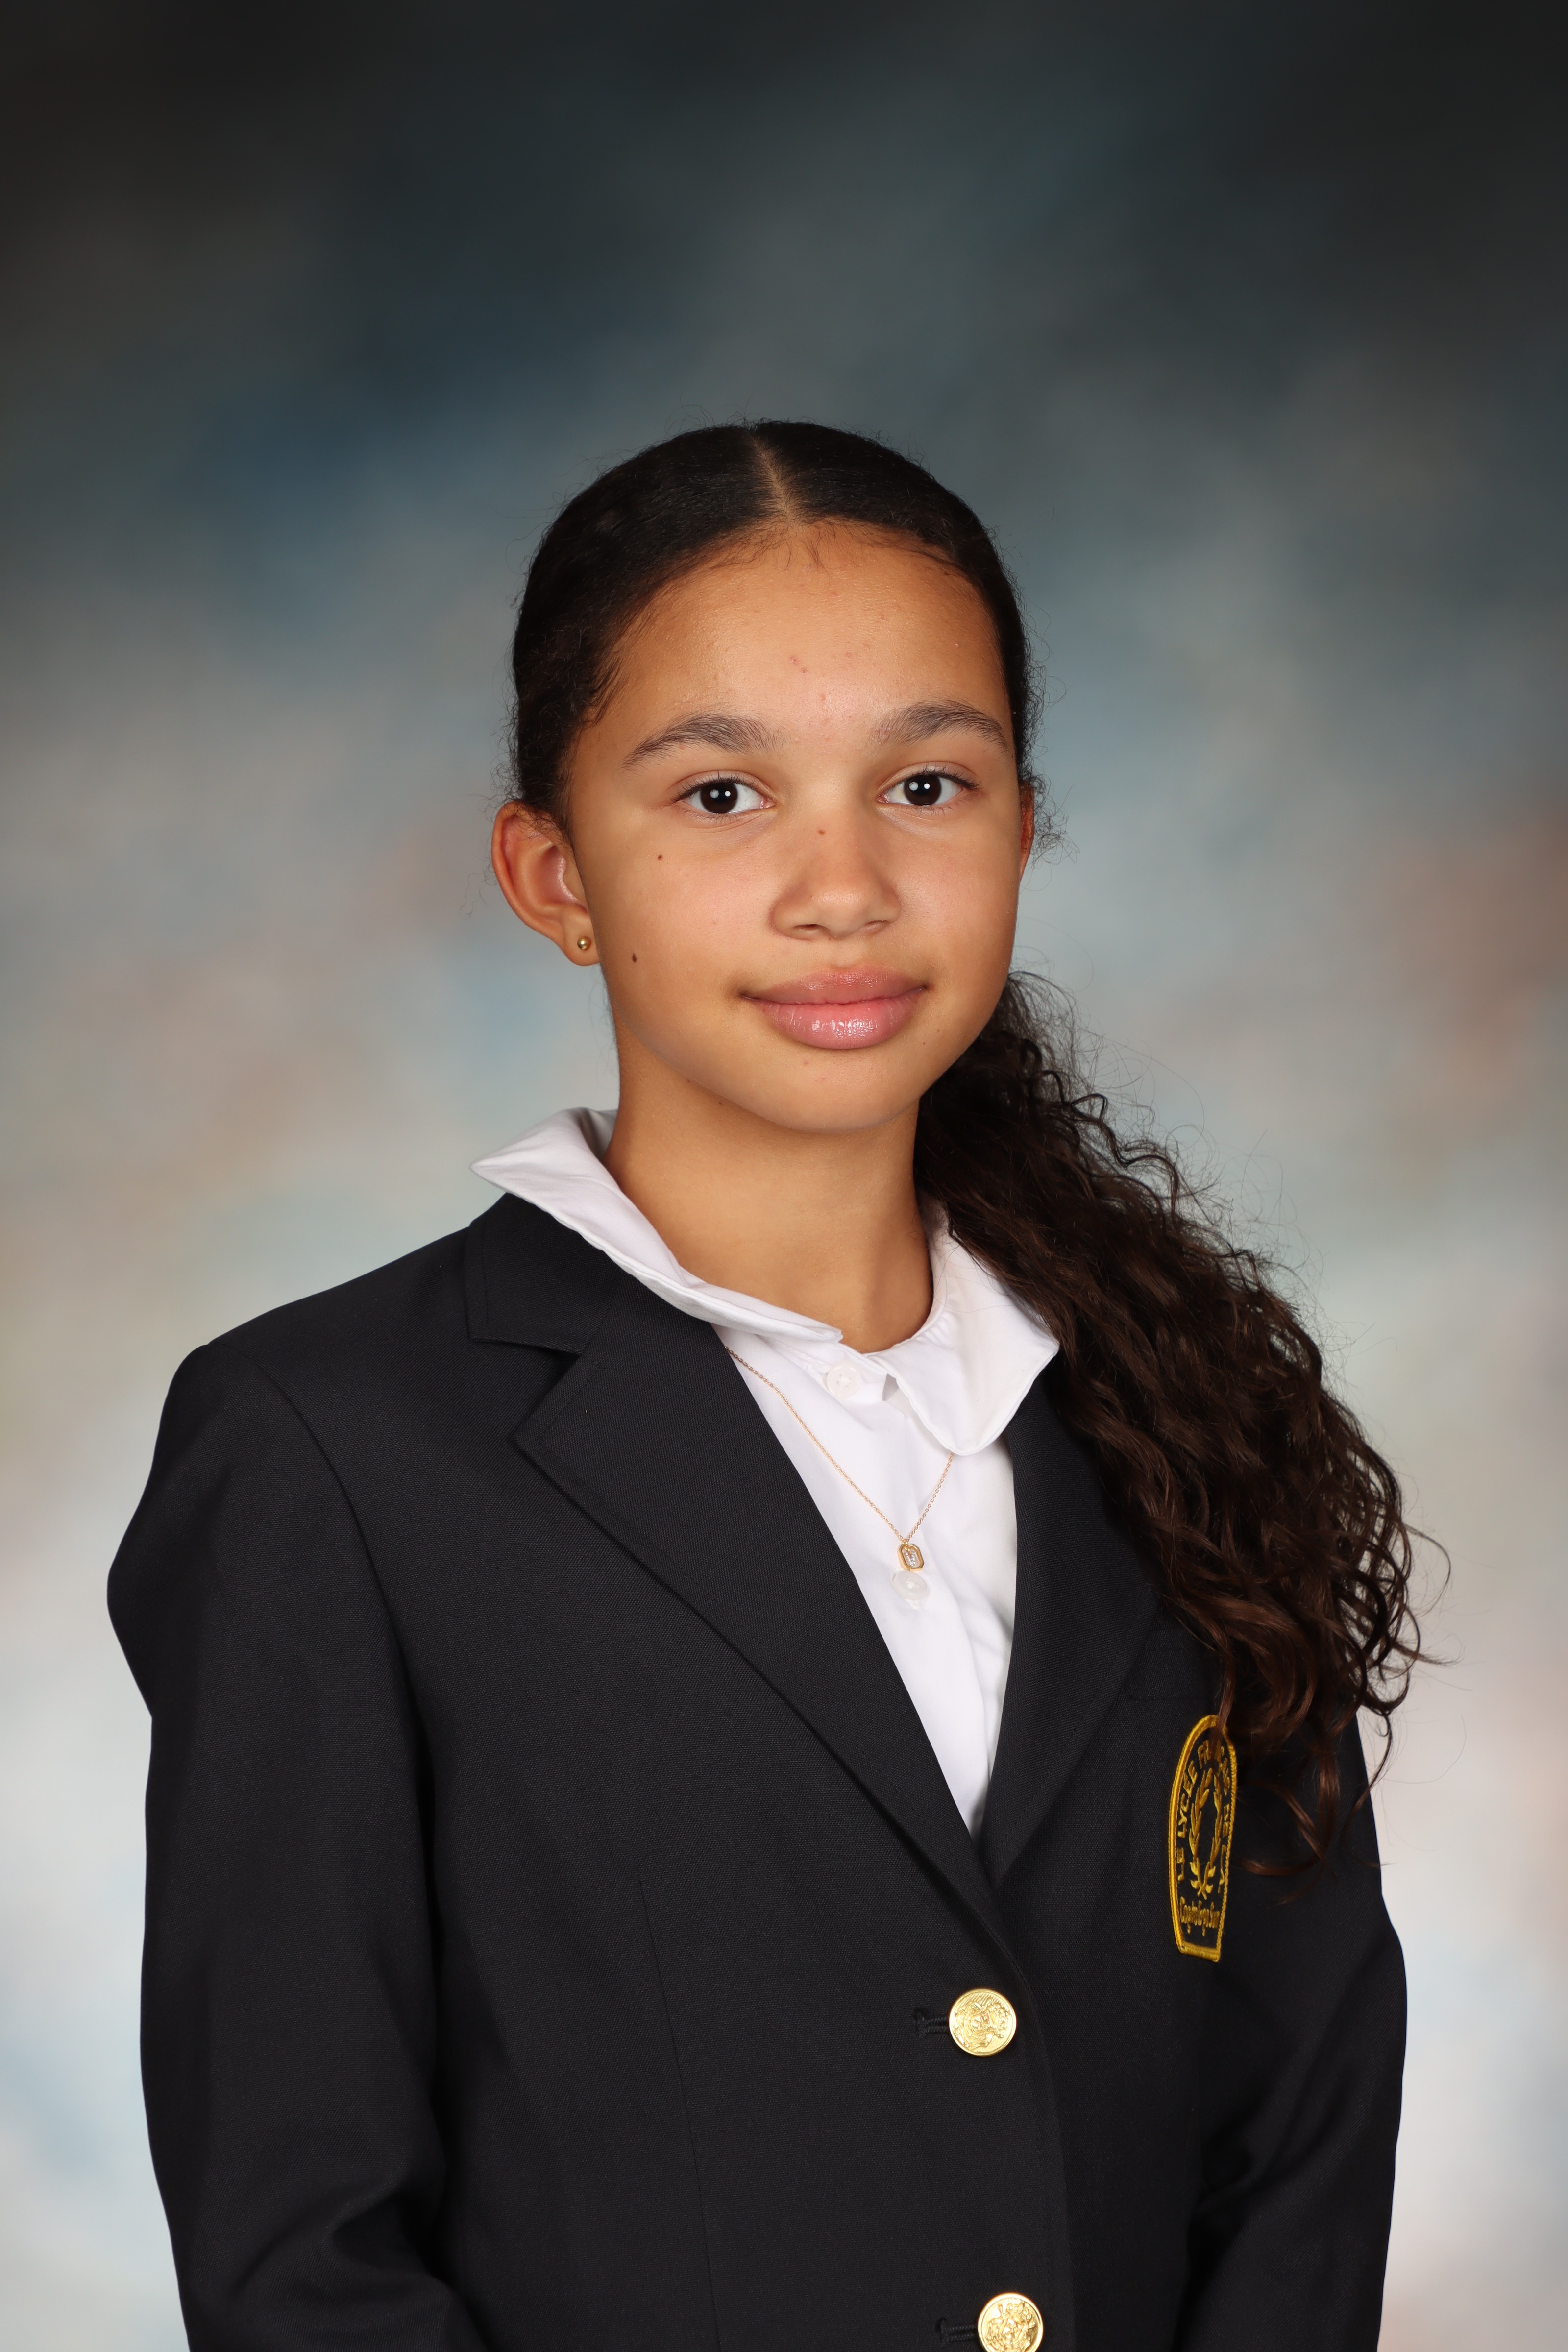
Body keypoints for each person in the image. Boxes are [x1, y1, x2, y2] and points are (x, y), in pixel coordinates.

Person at [109, 422, 1417, 2352]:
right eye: (722, 794)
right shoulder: (329, 1449)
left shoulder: (1187, 1416)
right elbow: (306, 2256)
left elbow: (1299, 2133)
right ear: (552, 872)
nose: (844, 887)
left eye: (925, 784)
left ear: (1025, 828)